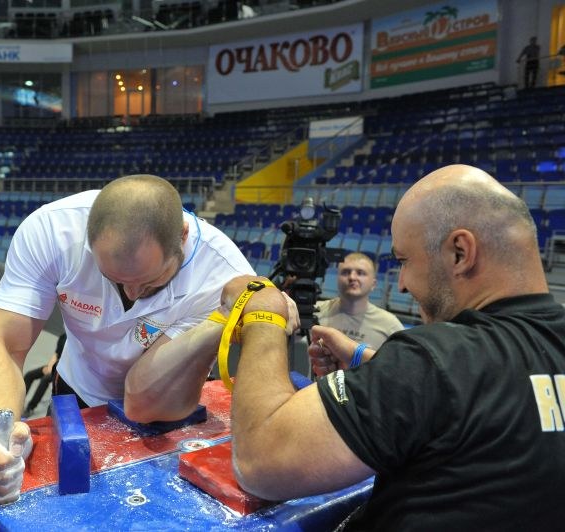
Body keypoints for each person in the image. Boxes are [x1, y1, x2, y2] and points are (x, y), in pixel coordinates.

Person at [224, 164, 565, 530]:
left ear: (459, 252)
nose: (401, 284)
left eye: (404, 261)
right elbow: (502, 394)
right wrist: (369, 361)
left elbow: (260, 461)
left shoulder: (432, 360)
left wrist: (264, 313)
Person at [0, 174, 257, 504]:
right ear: (88, 242)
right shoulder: (53, 231)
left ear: (183, 237)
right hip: (77, 388)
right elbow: (3, 344)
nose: (132, 293)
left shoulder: (221, 276)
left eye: (149, 281)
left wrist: (218, 320)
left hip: (166, 405)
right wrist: (0, 441)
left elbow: (143, 399)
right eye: (114, 279)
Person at [315, 252, 403, 350]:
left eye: (360, 273)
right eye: (346, 272)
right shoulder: (315, 312)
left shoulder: (390, 325)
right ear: (337, 279)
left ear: (373, 284)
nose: (352, 277)